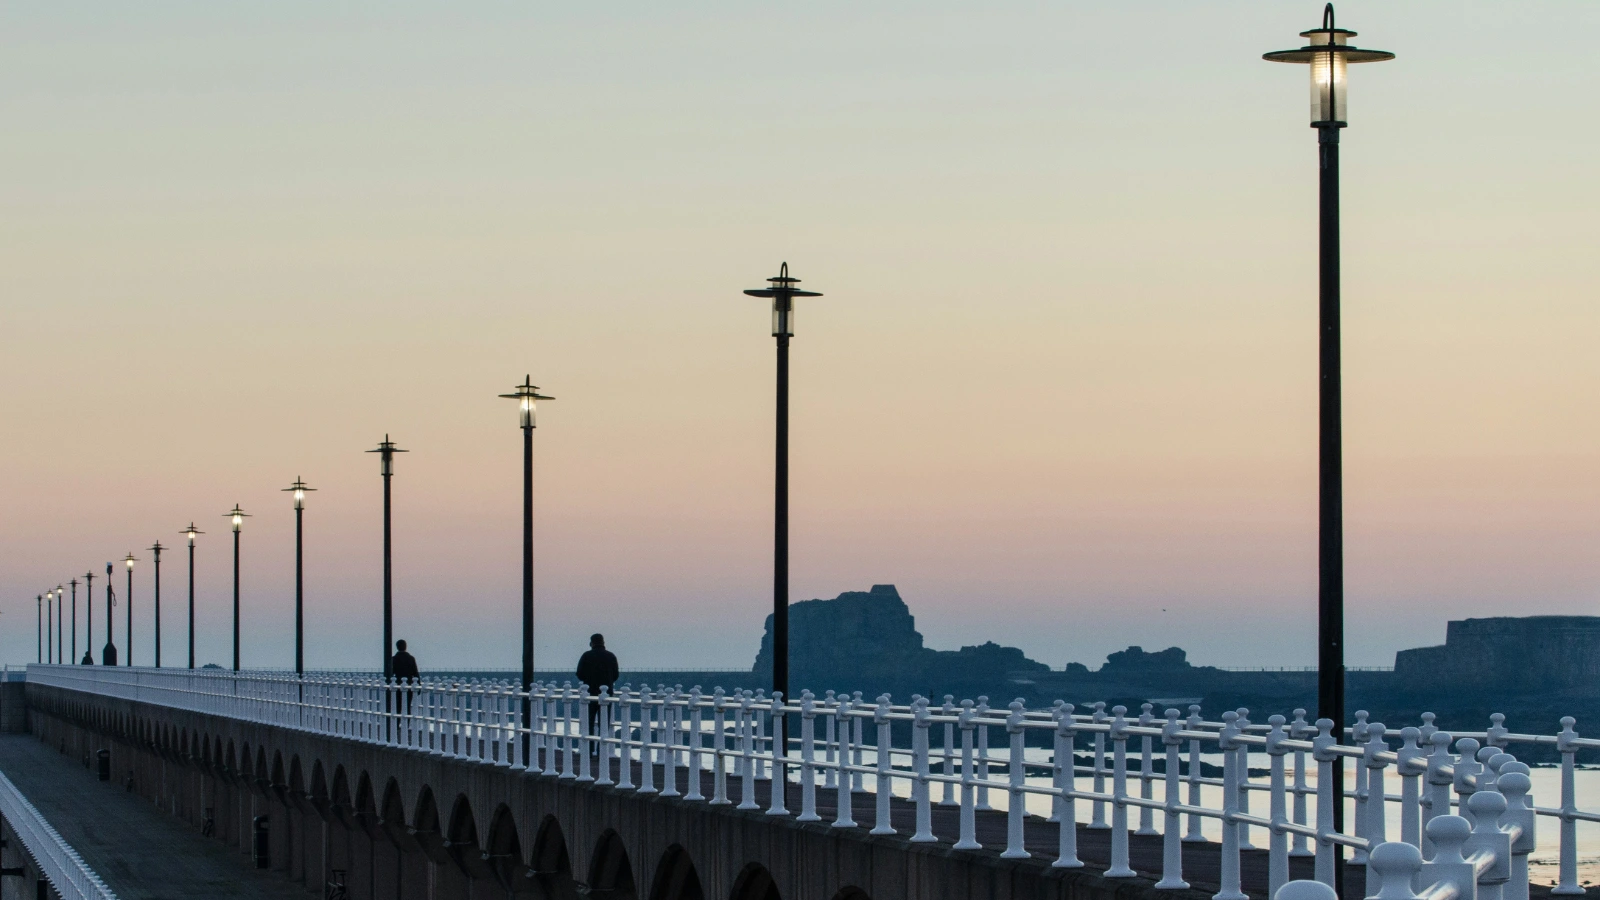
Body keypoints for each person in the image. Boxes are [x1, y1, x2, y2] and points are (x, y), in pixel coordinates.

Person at [576, 634, 619, 736]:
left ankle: (589, 749)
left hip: (590, 693)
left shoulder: (586, 655)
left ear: (591, 643)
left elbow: (579, 673)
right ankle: (602, 750)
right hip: (606, 693)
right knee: (604, 723)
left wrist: (588, 679)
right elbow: (616, 675)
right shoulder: (611, 656)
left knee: (588, 722)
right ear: (603, 643)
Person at [392, 639, 419, 716]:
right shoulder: (411, 658)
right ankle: (406, 724)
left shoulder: (394, 659)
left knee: (397, 706)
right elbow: (415, 672)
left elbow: (391, 673)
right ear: (405, 647)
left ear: (397, 647)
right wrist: (418, 684)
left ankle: (396, 724)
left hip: (397, 684)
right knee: (407, 705)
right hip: (409, 684)